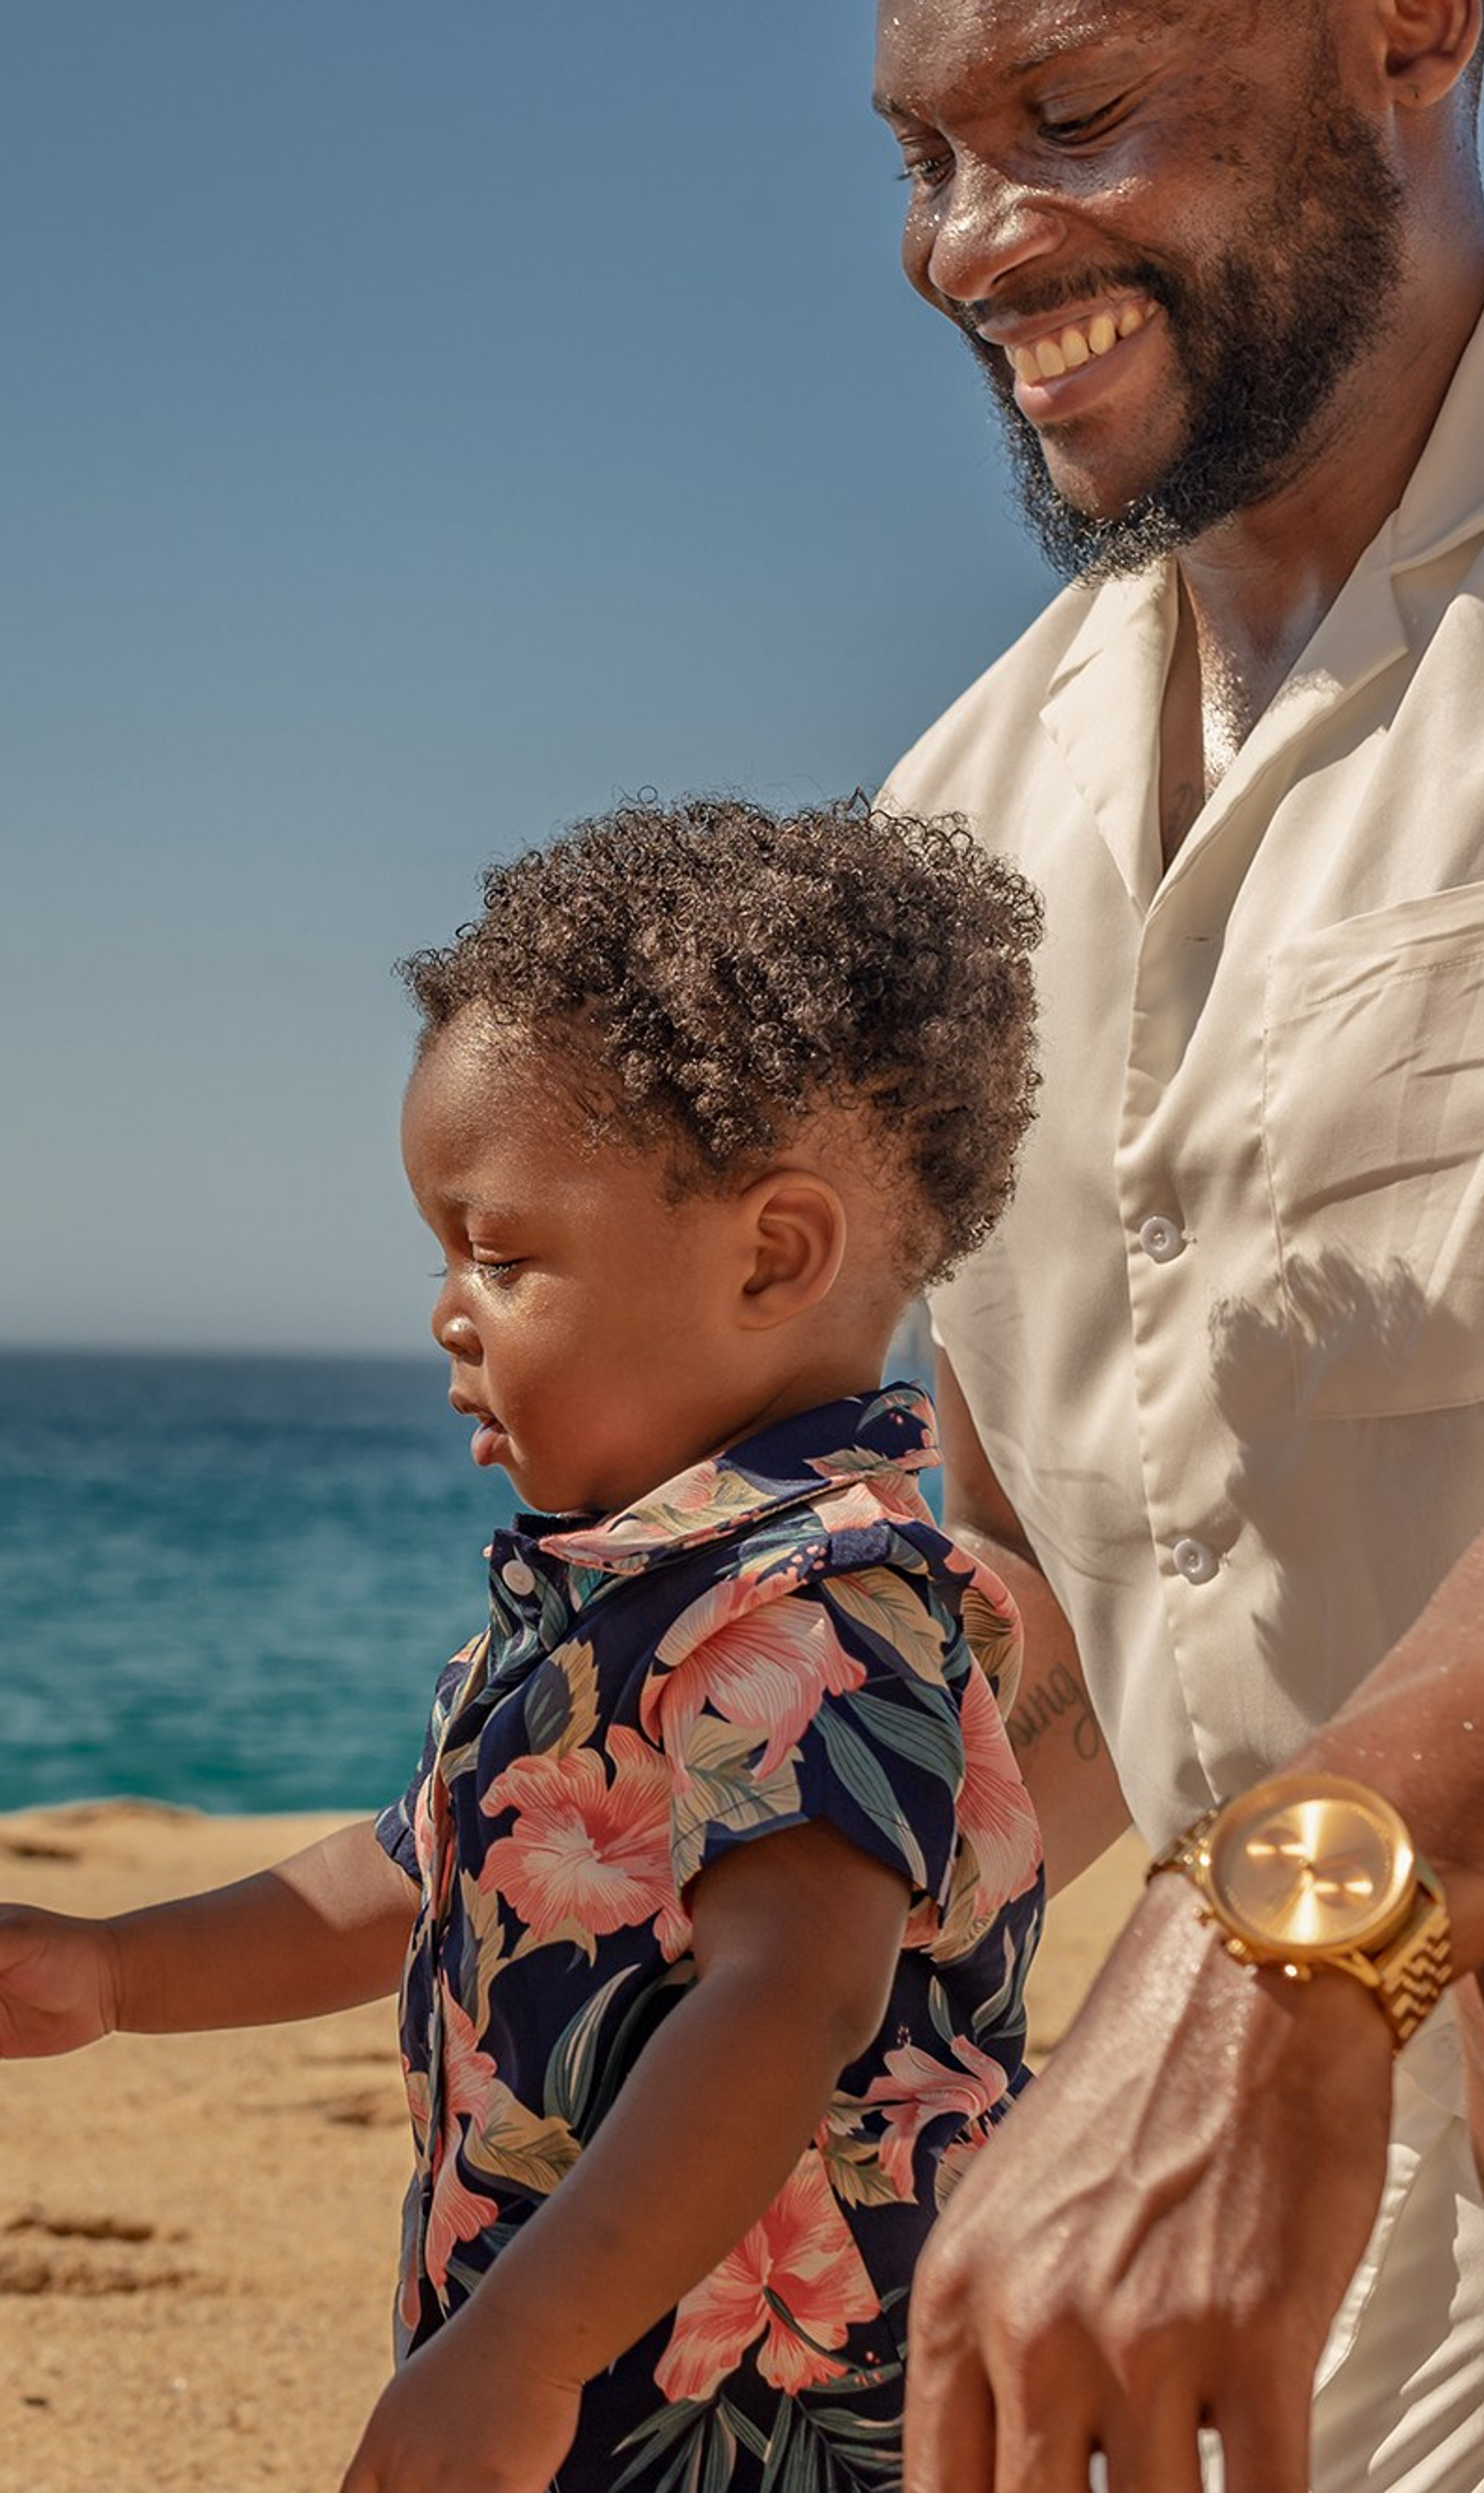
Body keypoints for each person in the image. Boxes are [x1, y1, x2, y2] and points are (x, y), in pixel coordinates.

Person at [0, 799, 1049, 2493]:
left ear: (774, 1256)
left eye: (502, 1254)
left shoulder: (818, 1607)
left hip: (761, 2426)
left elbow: (788, 2001)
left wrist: (529, 2343)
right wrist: (118, 1975)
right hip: (578, 2379)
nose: (446, 1311)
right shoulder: (629, 1593)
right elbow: (412, 1871)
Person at [871, 0, 1484, 2482]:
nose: (967, 244)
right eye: (920, 156)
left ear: (1403, 31)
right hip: (1262, 2279)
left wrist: (1285, 1930)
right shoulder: (948, 823)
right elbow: (1059, 1586)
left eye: (1069, 115)